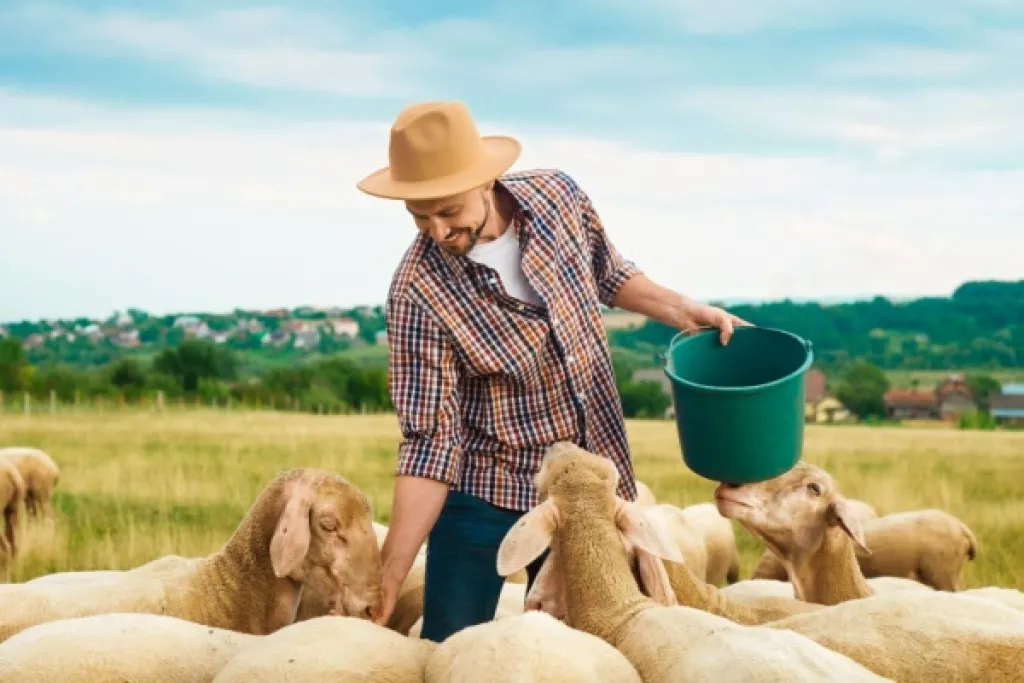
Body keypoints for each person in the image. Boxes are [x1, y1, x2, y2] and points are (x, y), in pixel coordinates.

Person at [356, 100, 749, 642]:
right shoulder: (417, 294)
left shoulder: (557, 198)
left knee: (596, 642)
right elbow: (429, 443)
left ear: (487, 180)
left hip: (585, 486)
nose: (437, 231)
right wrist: (391, 574)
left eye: (447, 211)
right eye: (419, 216)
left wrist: (685, 311)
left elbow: (608, 273)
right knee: (450, 648)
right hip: (482, 489)